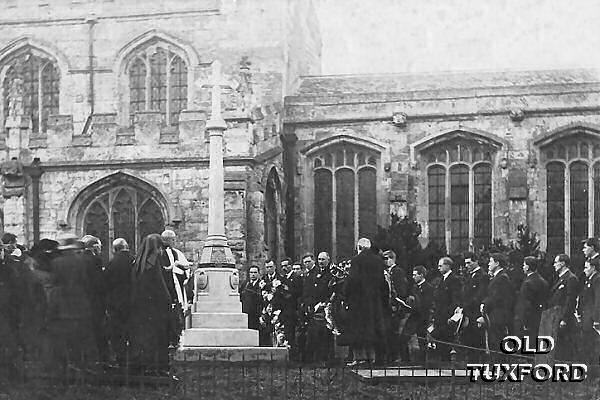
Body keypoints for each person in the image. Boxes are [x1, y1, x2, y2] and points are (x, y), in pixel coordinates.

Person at [46, 237, 97, 374]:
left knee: (66, 337)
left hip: (64, 305)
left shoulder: (56, 263)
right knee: (81, 337)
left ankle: (68, 365)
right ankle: (82, 364)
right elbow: (86, 282)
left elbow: (54, 282)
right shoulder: (82, 262)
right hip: (80, 303)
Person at [128, 234, 172, 376]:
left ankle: (143, 366)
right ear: (157, 247)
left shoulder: (138, 262)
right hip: (155, 308)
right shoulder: (154, 261)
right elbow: (160, 286)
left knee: (144, 338)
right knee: (157, 338)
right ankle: (157, 368)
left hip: (140, 307)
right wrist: (168, 302)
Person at [343, 238, 387, 366]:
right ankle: (372, 358)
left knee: (358, 328)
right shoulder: (378, 261)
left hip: (358, 301)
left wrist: (345, 294)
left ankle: (359, 358)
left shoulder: (356, 260)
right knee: (372, 328)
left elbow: (352, 280)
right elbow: (382, 282)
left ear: (359, 247)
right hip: (374, 301)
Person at [104, 238, 134, 367]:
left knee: (118, 332)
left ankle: (120, 358)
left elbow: (106, 283)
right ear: (126, 247)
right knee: (131, 330)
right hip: (132, 300)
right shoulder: (134, 260)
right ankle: (133, 358)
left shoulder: (112, 263)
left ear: (114, 249)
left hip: (115, 303)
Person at [81, 234, 109, 364]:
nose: (101, 249)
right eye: (99, 246)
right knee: (98, 330)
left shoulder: (80, 258)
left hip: (84, 301)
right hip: (95, 301)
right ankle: (101, 360)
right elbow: (99, 283)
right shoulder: (95, 260)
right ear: (94, 247)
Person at [545, 254, 579, 361]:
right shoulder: (559, 278)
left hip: (562, 318)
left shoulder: (570, 278)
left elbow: (570, 301)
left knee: (564, 346)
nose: (554, 265)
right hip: (555, 316)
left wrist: (564, 318)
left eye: (556, 262)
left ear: (563, 263)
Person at [481, 253, 515, 358]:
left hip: (498, 316)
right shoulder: (499, 277)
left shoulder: (502, 278)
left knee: (496, 343)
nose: (488, 264)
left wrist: (484, 304)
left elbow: (496, 297)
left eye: (491, 261)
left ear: (497, 263)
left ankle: (498, 368)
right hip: (496, 315)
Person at [300, 252, 333, 363]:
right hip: (316, 307)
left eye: (323, 259)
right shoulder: (316, 273)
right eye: (319, 259)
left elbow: (331, 291)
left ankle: (327, 359)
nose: (321, 262)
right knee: (316, 334)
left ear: (328, 259)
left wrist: (324, 303)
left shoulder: (331, 273)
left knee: (326, 334)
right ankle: (317, 359)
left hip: (327, 307)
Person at [431, 256, 463, 361]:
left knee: (446, 344)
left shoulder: (454, 280)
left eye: (441, 265)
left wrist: (450, 316)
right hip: (439, 317)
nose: (438, 268)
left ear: (448, 266)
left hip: (447, 318)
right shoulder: (441, 280)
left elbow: (455, 300)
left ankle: (447, 369)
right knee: (440, 344)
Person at [383, 249, 409, 363]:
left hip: (396, 307)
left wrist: (397, 304)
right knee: (390, 332)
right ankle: (392, 356)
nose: (384, 262)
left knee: (396, 333)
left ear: (391, 259)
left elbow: (401, 290)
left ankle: (402, 358)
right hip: (388, 307)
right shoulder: (386, 271)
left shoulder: (397, 271)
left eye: (386, 259)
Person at [513, 257, 549, 340]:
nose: (523, 267)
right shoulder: (543, 281)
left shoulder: (527, 283)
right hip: (539, 318)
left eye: (524, 265)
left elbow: (526, 305)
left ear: (528, 267)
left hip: (527, 321)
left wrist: (524, 322)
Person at [461, 253, 488, 360]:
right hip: (468, 313)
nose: (467, 265)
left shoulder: (483, 276)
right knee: (469, 341)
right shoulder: (469, 276)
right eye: (465, 263)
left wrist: (466, 305)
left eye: (469, 263)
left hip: (476, 313)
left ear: (476, 261)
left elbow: (480, 295)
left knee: (477, 341)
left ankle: (478, 366)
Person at [406, 265, 434, 363]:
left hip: (423, 318)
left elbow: (426, 304)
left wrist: (415, 302)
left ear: (421, 275)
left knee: (422, 340)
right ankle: (407, 361)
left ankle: (422, 363)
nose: (413, 277)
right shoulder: (414, 287)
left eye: (415, 275)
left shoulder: (429, 288)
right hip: (413, 316)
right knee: (404, 337)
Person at [577, 257, 600, 365]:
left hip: (591, 319)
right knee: (586, 344)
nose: (584, 270)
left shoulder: (597, 280)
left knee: (591, 345)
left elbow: (597, 300)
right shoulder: (589, 280)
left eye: (586, 267)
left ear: (593, 268)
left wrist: (596, 319)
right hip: (586, 318)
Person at [240, 266, 262, 330]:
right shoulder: (245, 284)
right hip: (246, 313)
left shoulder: (261, 284)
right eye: (251, 272)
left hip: (256, 314)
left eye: (255, 272)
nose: (253, 274)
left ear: (258, 274)